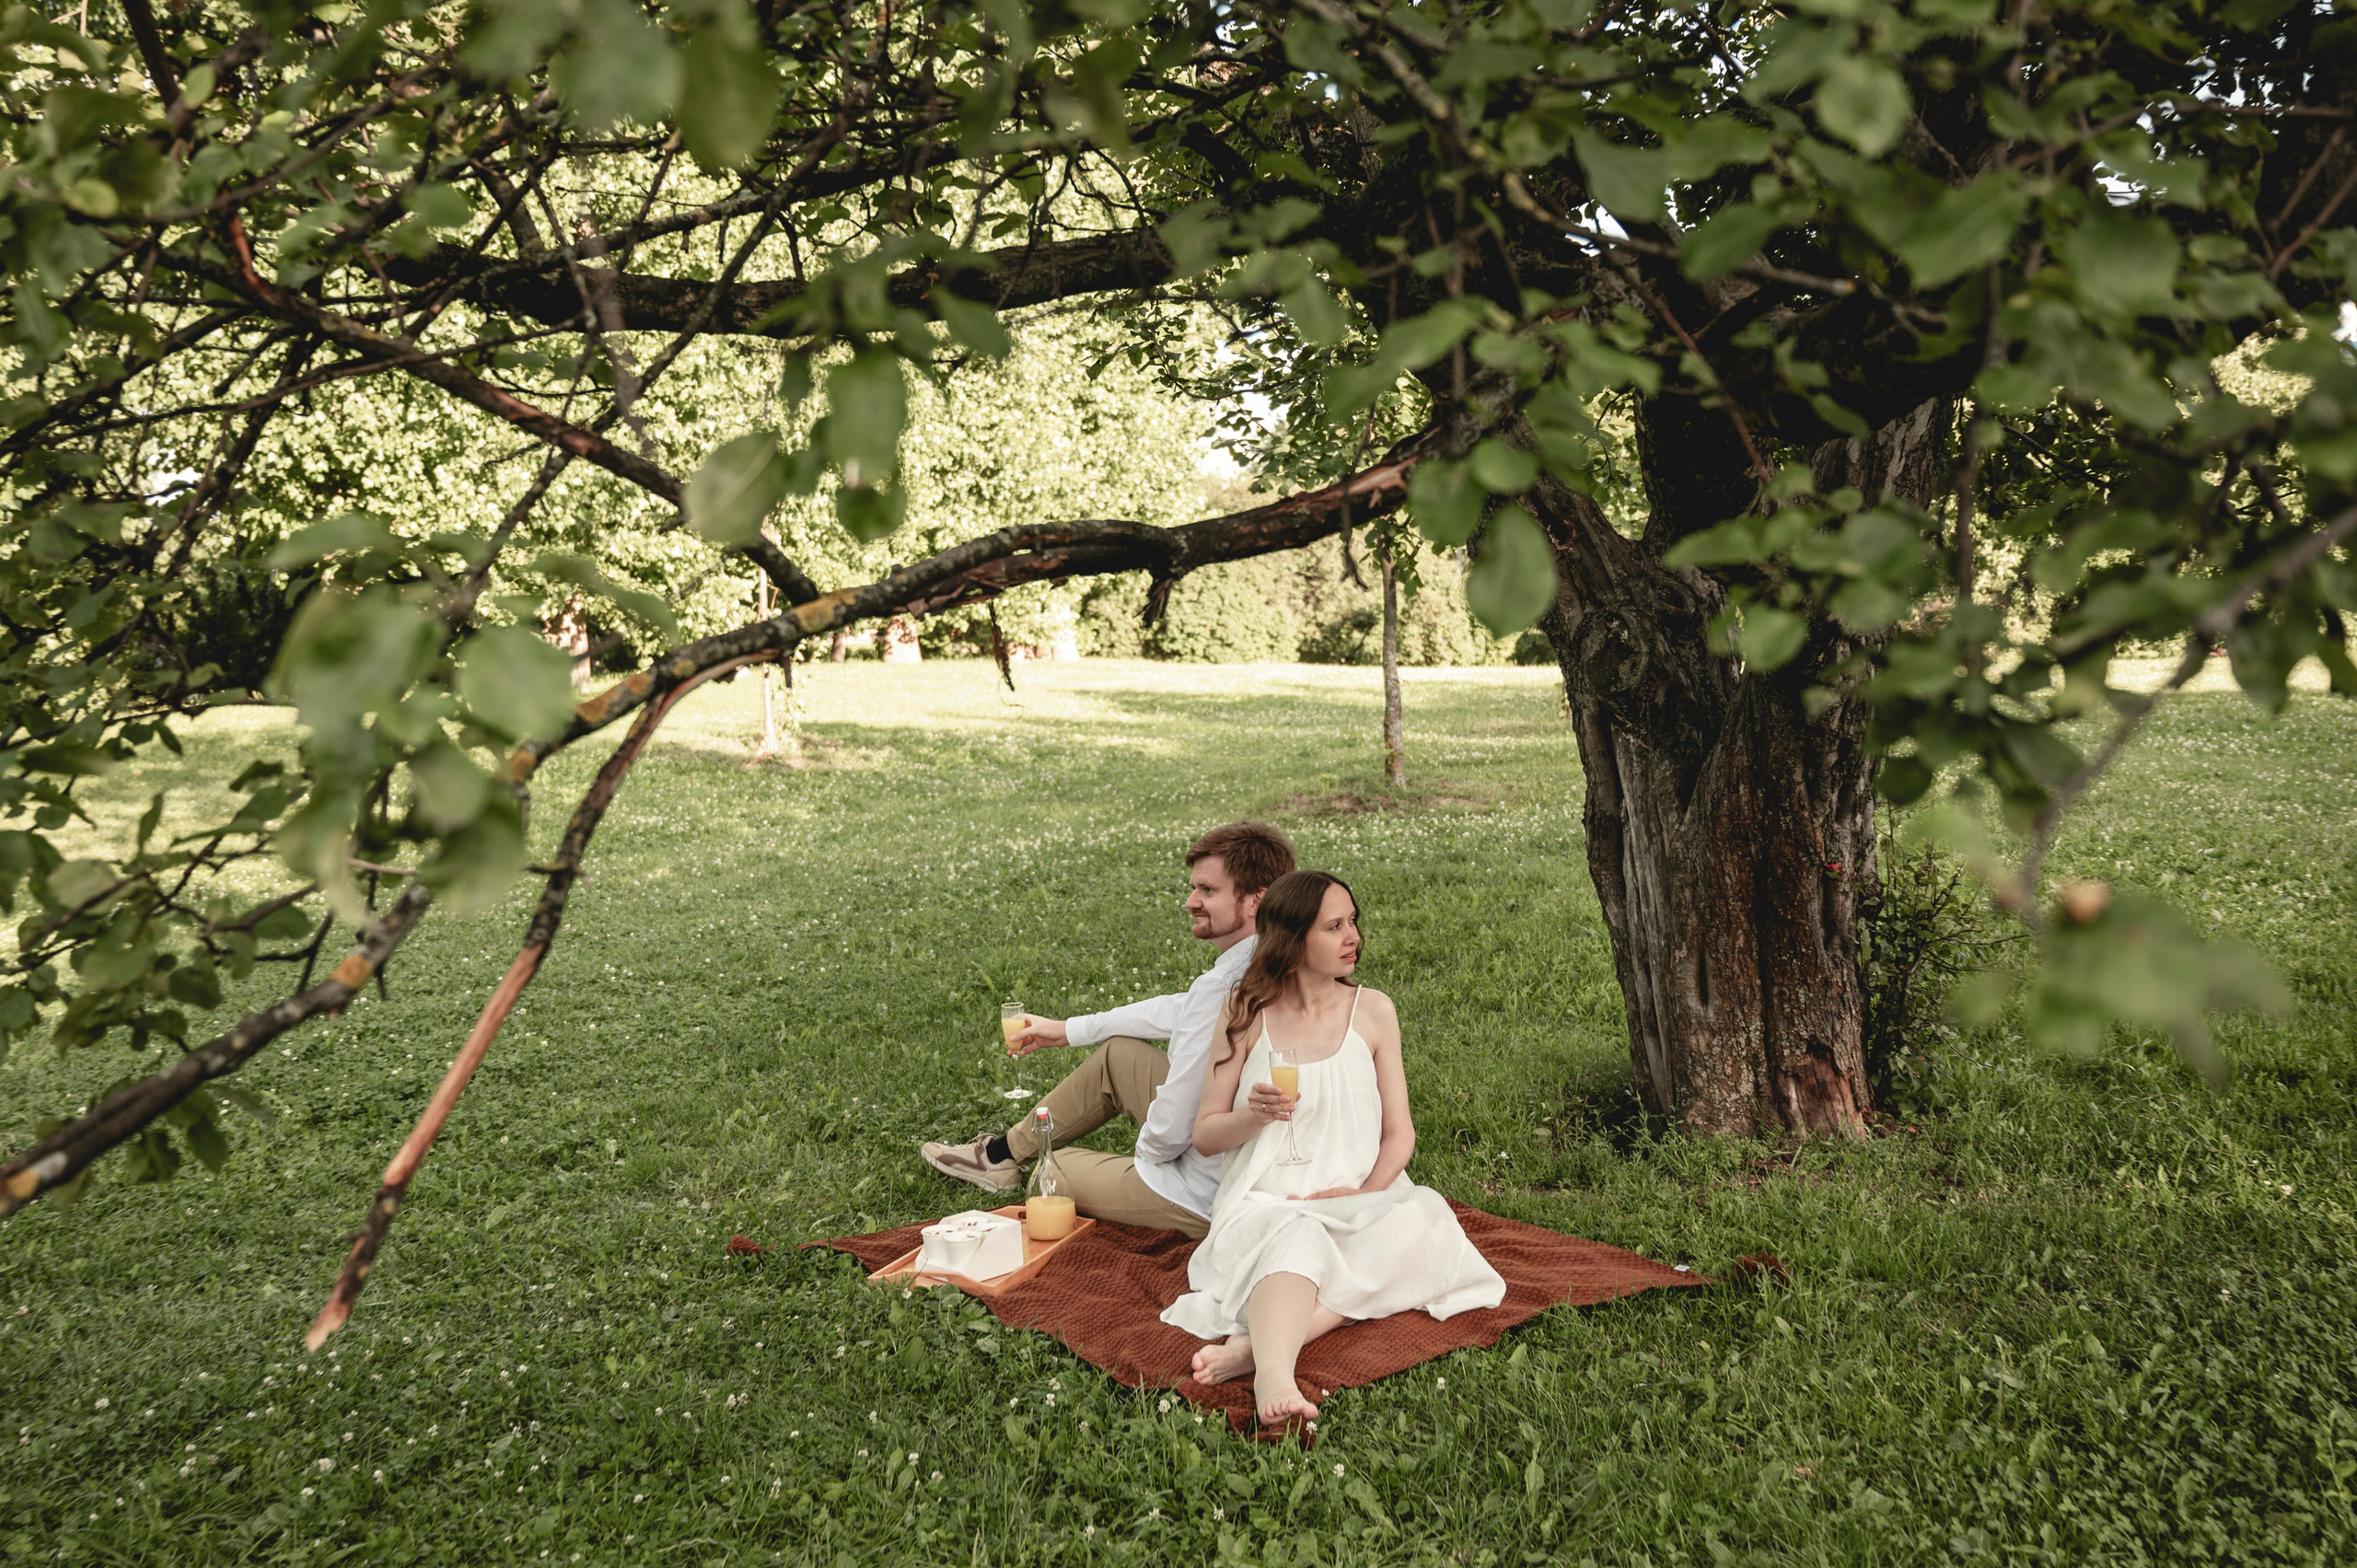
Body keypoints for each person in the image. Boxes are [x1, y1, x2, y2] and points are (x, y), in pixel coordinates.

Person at [1164, 870, 1504, 1427]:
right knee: (1300, 1237)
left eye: (1353, 922)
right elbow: (1204, 1135)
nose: (1354, 937)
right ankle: (1275, 1379)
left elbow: (1401, 1136)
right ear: (1293, 941)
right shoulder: (1245, 1012)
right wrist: (1253, 1116)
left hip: (1360, 1197)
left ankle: (1254, 1347)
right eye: (1334, 926)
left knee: (1427, 1215)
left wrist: (1362, 1194)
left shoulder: (1373, 1011)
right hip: (1270, 1204)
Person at [918, 822, 1297, 1239]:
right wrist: (1069, 1030)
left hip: (1209, 1190)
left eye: (1208, 891)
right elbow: (1180, 1010)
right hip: (1250, 1148)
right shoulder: (1277, 959)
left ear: (1256, 901)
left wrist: (1149, 1160)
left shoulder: (1222, 989)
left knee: (1054, 1170)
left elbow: (1173, 1128)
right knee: (1119, 1056)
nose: (1190, 901)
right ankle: (998, 1156)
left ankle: (1011, 1162)